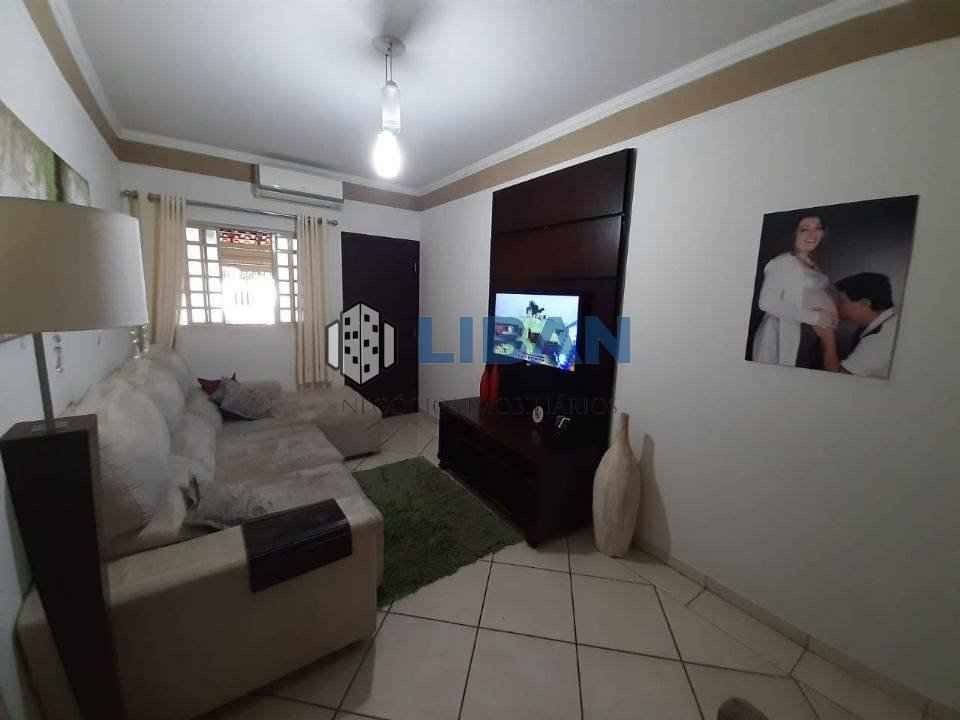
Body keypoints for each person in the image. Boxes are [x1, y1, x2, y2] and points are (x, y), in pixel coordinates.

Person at [752, 215, 838, 368]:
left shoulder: (811, 262)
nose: (812, 235)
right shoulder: (782, 262)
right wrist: (815, 317)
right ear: (793, 233)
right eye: (804, 229)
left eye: (817, 229)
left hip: (810, 336)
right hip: (786, 333)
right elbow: (767, 303)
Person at [815, 272, 899, 378]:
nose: (836, 306)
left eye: (842, 301)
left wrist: (828, 339)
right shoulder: (889, 323)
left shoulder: (878, 339)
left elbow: (840, 380)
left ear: (865, 303)